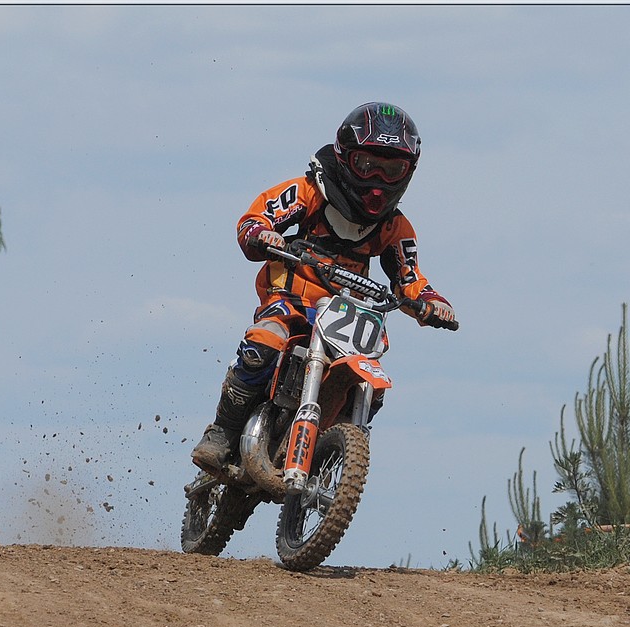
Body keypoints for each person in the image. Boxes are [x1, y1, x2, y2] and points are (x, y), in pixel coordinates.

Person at [192, 102, 457, 474]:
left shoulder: (394, 227)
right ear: (345, 158)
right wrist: (261, 233)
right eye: (367, 165)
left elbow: (409, 278)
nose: (378, 181)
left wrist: (430, 302)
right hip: (290, 299)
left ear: (408, 172)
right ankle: (223, 431)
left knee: (370, 386)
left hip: (347, 315)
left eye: (391, 170)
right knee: (265, 342)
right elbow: (257, 217)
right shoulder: (309, 192)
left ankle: (328, 456)